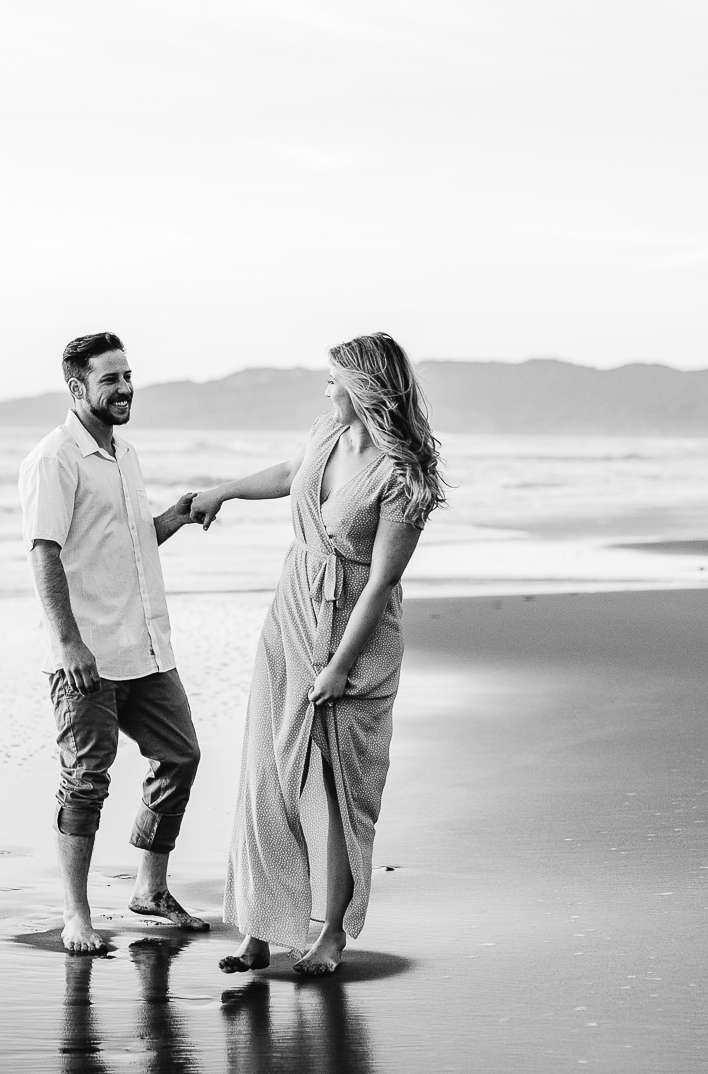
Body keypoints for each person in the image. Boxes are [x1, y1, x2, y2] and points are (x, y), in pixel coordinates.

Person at [190, 332, 444, 976]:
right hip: (292, 612)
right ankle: (258, 928)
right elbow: (287, 477)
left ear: (364, 388)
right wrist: (222, 491)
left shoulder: (405, 476)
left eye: (333, 380)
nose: (325, 390)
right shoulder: (325, 433)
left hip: (354, 632)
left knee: (336, 788)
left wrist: (338, 668)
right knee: (266, 772)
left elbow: (383, 579)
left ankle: (330, 933)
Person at [19, 331, 210, 953]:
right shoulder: (55, 460)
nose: (125, 388)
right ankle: (76, 914)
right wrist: (69, 644)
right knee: (86, 781)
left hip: (146, 647)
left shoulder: (124, 453)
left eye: (128, 376)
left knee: (179, 754)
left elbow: (125, 541)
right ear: (77, 387)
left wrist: (173, 520)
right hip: (88, 654)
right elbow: (44, 552)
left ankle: (149, 889)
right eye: (111, 380)